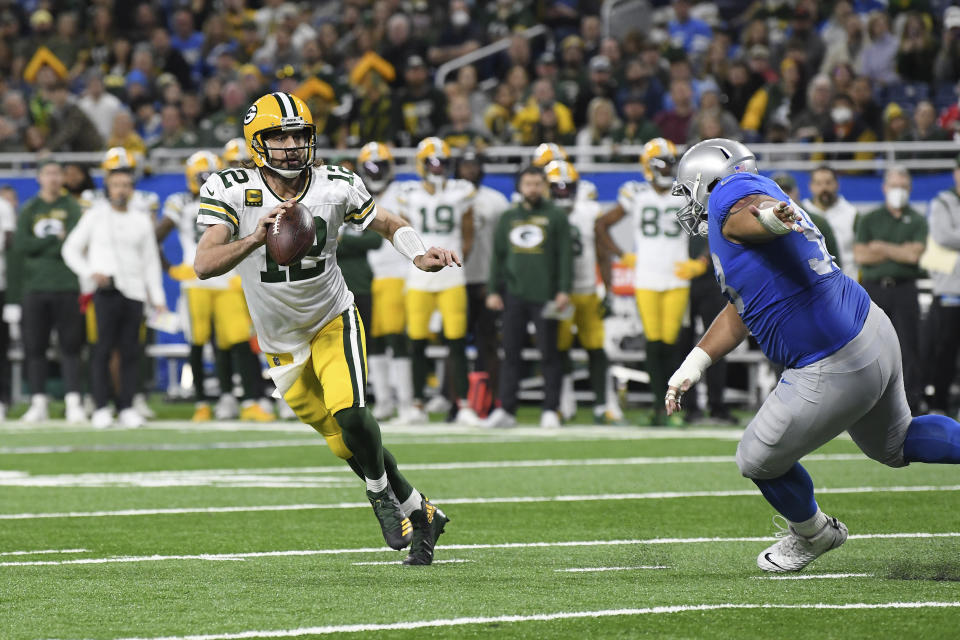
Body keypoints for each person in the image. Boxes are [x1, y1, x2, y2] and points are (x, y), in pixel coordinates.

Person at [665, 138, 960, 573]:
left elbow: (754, 212)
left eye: (691, 191)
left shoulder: (734, 192)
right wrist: (694, 364)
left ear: (707, 182)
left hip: (831, 360)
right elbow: (742, 307)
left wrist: (768, 217)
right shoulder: (758, 200)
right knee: (896, 442)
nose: (691, 204)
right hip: (869, 326)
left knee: (757, 459)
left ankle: (814, 534)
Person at [192, 92, 451, 565]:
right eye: (279, 136)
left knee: (351, 412)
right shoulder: (230, 189)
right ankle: (420, 510)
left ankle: (382, 498)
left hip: (332, 316)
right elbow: (204, 264)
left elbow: (390, 223)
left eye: (299, 135)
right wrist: (253, 237)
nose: (291, 145)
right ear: (256, 142)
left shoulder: (335, 184)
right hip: (280, 342)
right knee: (341, 442)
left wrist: (417, 253)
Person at [157, 150, 273, 423]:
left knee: (237, 340)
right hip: (196, 281)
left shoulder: (231, 196)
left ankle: (249, 401)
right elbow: (155, 236)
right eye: (203, 176)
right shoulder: (180, 202)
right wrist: (171, 269)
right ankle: (203, 402)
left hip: (227, 278)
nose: (209, 180)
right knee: (198, 341)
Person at [62, 165, 167, 429]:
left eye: (126, 185)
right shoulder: (95, 216)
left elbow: (150, 262)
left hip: (134, 292)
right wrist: (90, 272)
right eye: (116, 184)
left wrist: (157, 297)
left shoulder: (141, 219)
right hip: (105, 292)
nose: (121, 189)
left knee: (131, 351)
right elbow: (71, 249)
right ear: (108, 188)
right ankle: (100, 406)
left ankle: (127, 406)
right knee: (101, 350)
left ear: (132, 189)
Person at [596, 138, 689, 426]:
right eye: (663, 162)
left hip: (677, 276)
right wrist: (623, 255)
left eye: (671, 162)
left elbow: (711, 226)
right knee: (653, 342)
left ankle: (674, 406)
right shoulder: (635, 193)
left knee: (672, 343)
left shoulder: (685, 192)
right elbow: (601, 224)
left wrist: (700, 261)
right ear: (648, 166)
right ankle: (658, 406)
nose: (668, 168)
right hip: (647, 276)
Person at [395, 137, 477, 425]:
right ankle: (417, 405)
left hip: (452, 276)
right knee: (416, 342)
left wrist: (455, 260)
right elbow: (403, 233)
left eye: (442, 162)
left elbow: (468, 233)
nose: (438, 167)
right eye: (433, 162)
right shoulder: (408, 193)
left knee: (456, 342)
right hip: (418, 278)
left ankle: (464, 405)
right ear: (421, 164)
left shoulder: (461, 190)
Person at [483, 166, 571, 429]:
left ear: (544, 185)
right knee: (510, 354)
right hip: (514, 294)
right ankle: (507, 410)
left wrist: (564, 289)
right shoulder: (508, 217)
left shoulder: (556, 216)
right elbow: (497, 257)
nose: (532, 188)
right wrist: (492, 290)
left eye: (537, 183)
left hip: (546, 295)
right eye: (528, 184)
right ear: (520, 187)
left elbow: (565, 256)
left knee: (549, 354)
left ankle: (551, 409)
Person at [356, 142, 420, 424]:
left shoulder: (403, 193)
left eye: (380, 166)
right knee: (376, 339)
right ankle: (384, 400)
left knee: (397, 337)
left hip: (399, 272)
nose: (375, 172)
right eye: (370, 167)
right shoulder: (358, 195)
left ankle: (406, 403)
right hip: (371, 276)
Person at [17, 161, 85, 423]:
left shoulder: (71, 207)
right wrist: (52, 242)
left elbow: (75, 243)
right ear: (39, 178)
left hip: (67, 285)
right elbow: (22, 245)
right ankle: (38, 401)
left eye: (57, 173)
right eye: (48, 173)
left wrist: (46, 247)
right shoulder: (30, 208)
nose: (53, 178)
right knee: (35, 347)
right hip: (35, 286)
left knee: (71, 346)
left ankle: (74, 401)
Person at [545, 160, 610, 424]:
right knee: (558, 350)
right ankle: (564, 402)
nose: (562, 193)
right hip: (559, 294)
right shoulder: (544, 213)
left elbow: (602, 251)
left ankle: (603, 405)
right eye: (556, 188)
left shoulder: (589, 212)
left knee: (595, 347)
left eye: (566, 187)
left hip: (586, 290)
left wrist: (609, 288)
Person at [455, 147, 508, 414]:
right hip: (455, 279)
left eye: (474, 165)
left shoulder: (496, 200)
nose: (470, 170)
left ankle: (493, 401)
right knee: (454, 342)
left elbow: (504, 245)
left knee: (489, 342)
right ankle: (457, 402)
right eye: (465, 166)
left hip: (485, 278)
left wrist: (497, 281)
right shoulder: (448, 197)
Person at [923, 154, 960, 416]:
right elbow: (944, 236)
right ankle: (940, 405)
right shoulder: (942, 203)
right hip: (951, 290)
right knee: (945, 351)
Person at [802, 166, 859, 280]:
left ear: (837, 184)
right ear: (811, 186)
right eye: (818, 183)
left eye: (828, 183)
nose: (824, 188)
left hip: (847, 280)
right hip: (812, 282)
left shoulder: (851, 214)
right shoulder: (801, 213)